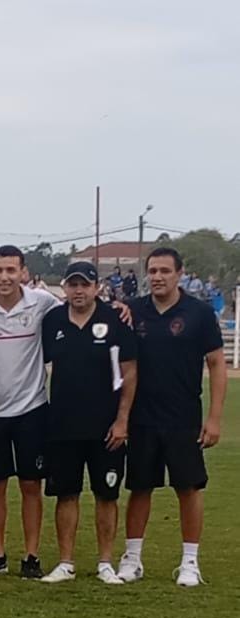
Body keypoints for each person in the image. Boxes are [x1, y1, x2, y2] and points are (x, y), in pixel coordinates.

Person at [120, 247, 226, 587]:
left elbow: (216, 364)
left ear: (179, 274)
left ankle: (190, 562)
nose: (158, 277)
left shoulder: (199, 313)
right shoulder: (133, 310)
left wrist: (214, 418)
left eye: (165, 271)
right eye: (152, 271)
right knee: (140, 488)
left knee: (189, 488)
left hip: (183, 417)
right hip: (142, 417)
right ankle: (132, 559)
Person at [39, 262, 137, 584]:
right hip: (63, 424)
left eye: (85, 284)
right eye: (73, 285)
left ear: (97, 287)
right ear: (65, 288)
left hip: (105, 426)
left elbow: (129, 372)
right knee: (66, 494)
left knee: (106, 494)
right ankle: (65, 563)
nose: (78, 291)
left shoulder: (115, 319)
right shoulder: (53, 320)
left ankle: (105, 563)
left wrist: (122, 420)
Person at [0, 245, 61, 579]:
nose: (5, 277)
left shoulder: (42, 301)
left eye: (11, 270)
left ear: (23, 272)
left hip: (31, 409)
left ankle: (31, 556)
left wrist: (121, 308)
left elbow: (83, 308)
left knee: (30, 485)